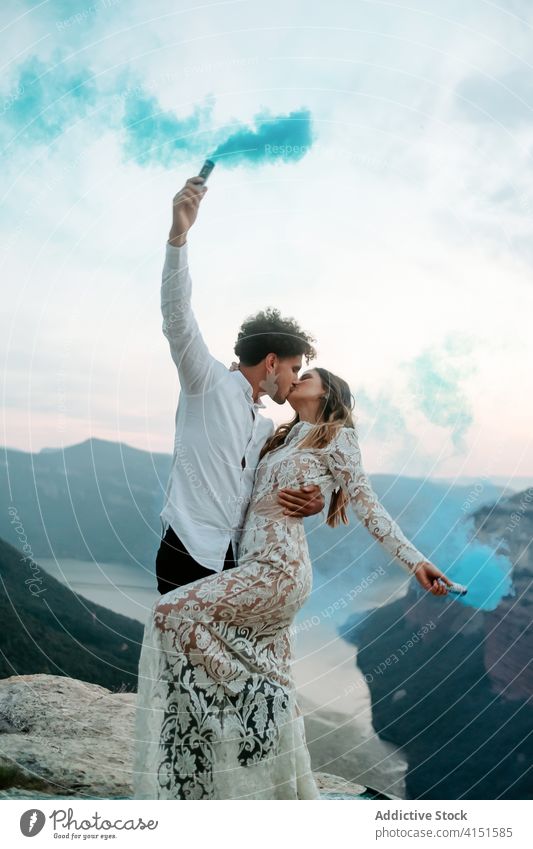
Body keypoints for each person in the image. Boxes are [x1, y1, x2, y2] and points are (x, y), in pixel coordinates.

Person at [132, 363, 453, 800]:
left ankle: (253, 706)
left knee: (170, 613)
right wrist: (236, 377)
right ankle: (256, 789)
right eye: (296, 371)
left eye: (309, 376)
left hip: (279, 570)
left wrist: (415, 562)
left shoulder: (339, 436)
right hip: (246, 564)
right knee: (276, 680)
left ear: (327, 393)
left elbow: (367, 505)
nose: (298, 378)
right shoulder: (278, 438)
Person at [155, 176, 325, 594]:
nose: (294, 377)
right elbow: (178, 317)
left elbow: (272, 490)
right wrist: (179, 234)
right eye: (293, 366)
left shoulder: (265, 428)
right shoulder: (206, 382)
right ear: (271, 361)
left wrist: (313, 501)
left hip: (233, 560)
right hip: (186, 551)